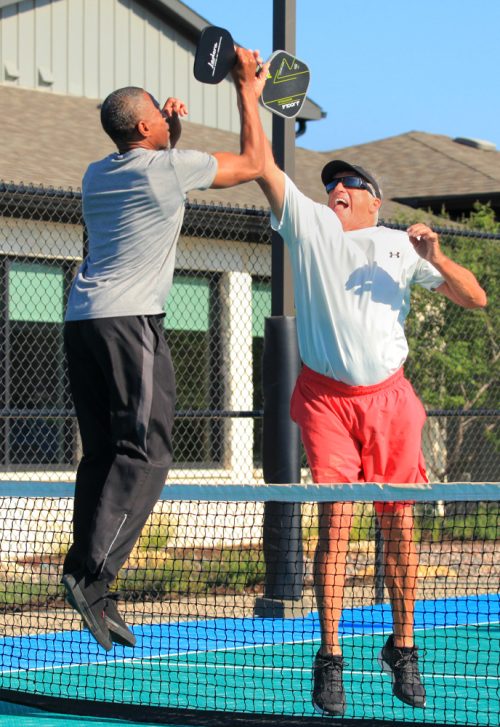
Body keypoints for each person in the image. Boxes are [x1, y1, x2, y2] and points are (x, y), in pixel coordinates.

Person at [257, 152, 487, 715]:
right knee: (336, 524)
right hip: (326, 400)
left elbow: (475, 296)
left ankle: (403, 645)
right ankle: (330, 656)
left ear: (373, 199)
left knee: (400, 527)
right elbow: (263, 166)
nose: (336, 187)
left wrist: (435, 254)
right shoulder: (312, 230)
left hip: (391, 401)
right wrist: (246, 93)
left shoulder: (397, 245)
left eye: (349, 183)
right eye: (331, 182)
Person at [62, 46, 268, 651]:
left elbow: (158, 169)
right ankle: (90, 572)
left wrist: (171, 132)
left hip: (81, 321)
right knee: (148, 452)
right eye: (156, 110)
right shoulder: (168, 170)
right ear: (146, 127)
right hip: (131, 325)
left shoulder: (97, 173)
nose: (161, 110)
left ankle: (92, 582)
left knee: (103, 454)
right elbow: (255, 162)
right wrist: (245, 88)